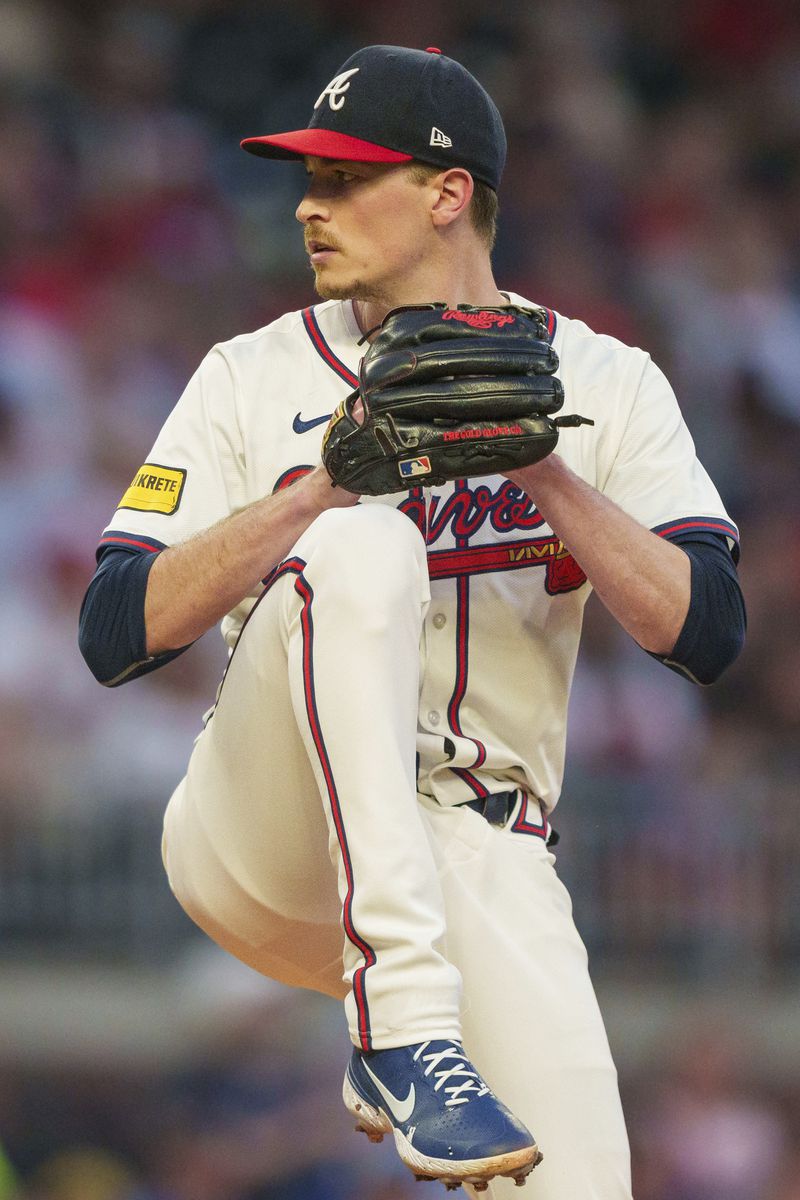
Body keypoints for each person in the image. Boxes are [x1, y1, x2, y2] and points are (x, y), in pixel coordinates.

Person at [79, 44, 746, 1199]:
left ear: (446, 193)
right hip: (268, 835)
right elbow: (114, 627)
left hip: (479, 853)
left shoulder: (600, 379)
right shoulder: (247, 374)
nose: (307, 204)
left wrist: (545, 471)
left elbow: (706, 631)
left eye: (344, 179)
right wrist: (317, 489)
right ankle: (398, 1029)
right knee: (360, 541)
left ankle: (400, 1016)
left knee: (583, 1186)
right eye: (307, 178)